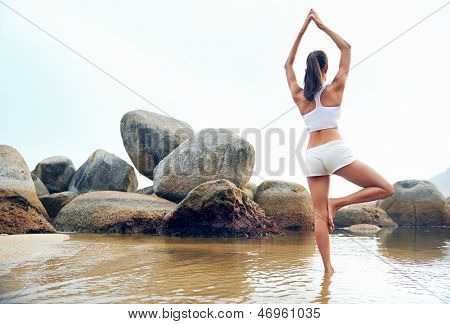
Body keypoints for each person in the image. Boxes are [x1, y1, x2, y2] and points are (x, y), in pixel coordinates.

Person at [284, 9, 395, 273]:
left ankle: (327, 271)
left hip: (312, 155)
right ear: (325, 69)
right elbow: (346, 47)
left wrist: (301, 31)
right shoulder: (335, 88)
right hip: (335, 150)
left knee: (318, 217)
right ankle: (339, 202)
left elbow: (287, 66)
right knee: (386, 188)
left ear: (308, 70)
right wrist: (321, 26)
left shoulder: (300, 96)